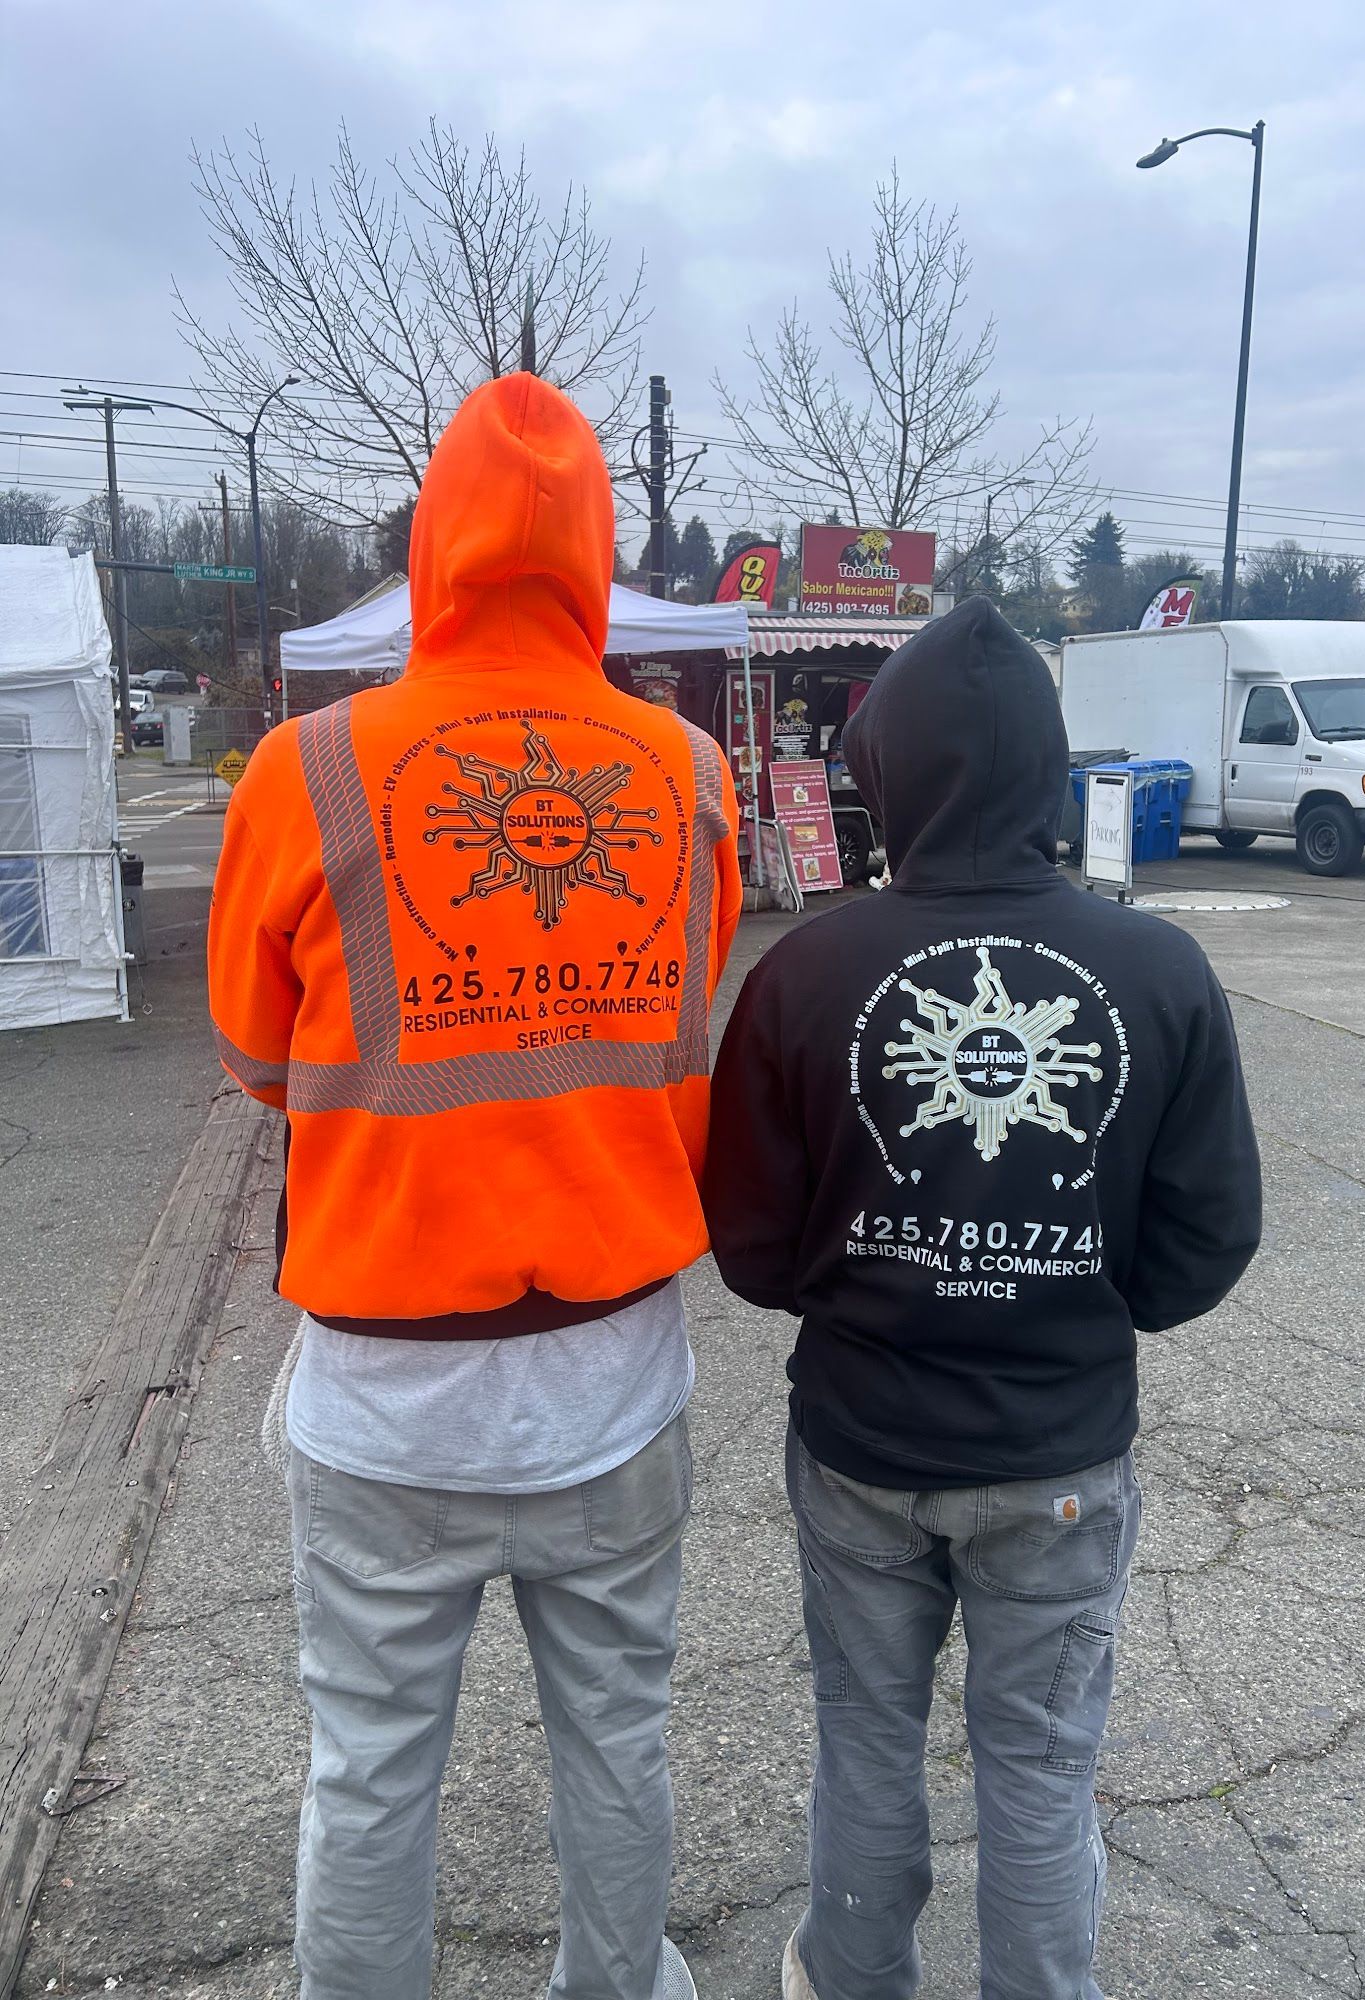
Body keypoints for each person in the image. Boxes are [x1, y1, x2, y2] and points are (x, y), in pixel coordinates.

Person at [209, 374, 740, 2000]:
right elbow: (679, 1021)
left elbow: (257, 1056)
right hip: (611, 1378)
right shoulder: (690, 775)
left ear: (434, 545)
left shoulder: (303, 770)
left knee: (370, 1769)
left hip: (384, 1399)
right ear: (593, 556)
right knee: (621, 1740)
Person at [704, 598, 1260, 2000]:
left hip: (859, 1447)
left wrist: (870, 1282)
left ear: (886, 771)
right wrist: (1077, 1298)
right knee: (1040, 1766)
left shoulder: (802, 972)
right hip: (1058, 1452)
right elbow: (1206, 1243)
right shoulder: (1159, 971)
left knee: (867, 1740)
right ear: (1044, 768)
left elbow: (754, 1246)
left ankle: (851, 1972)